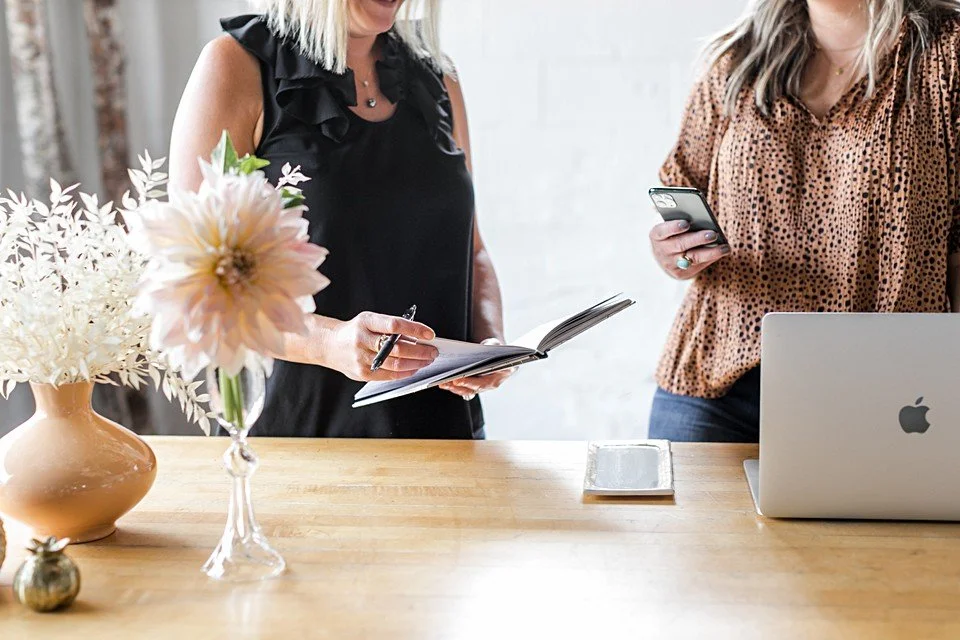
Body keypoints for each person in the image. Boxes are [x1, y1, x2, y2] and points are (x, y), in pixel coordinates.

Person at [169, 0, 511, 438]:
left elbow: (475, 252)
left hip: (445, 436)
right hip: (300, 445)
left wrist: (492, 346)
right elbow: (192, 286)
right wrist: (326, 343)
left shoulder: (440, 80)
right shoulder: (235, 66)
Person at [648, 0, 960, 442]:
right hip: (720, 384)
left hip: (891, 392)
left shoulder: (944, 52)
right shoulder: (737, 60)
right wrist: (674, 256)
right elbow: (684, 201)